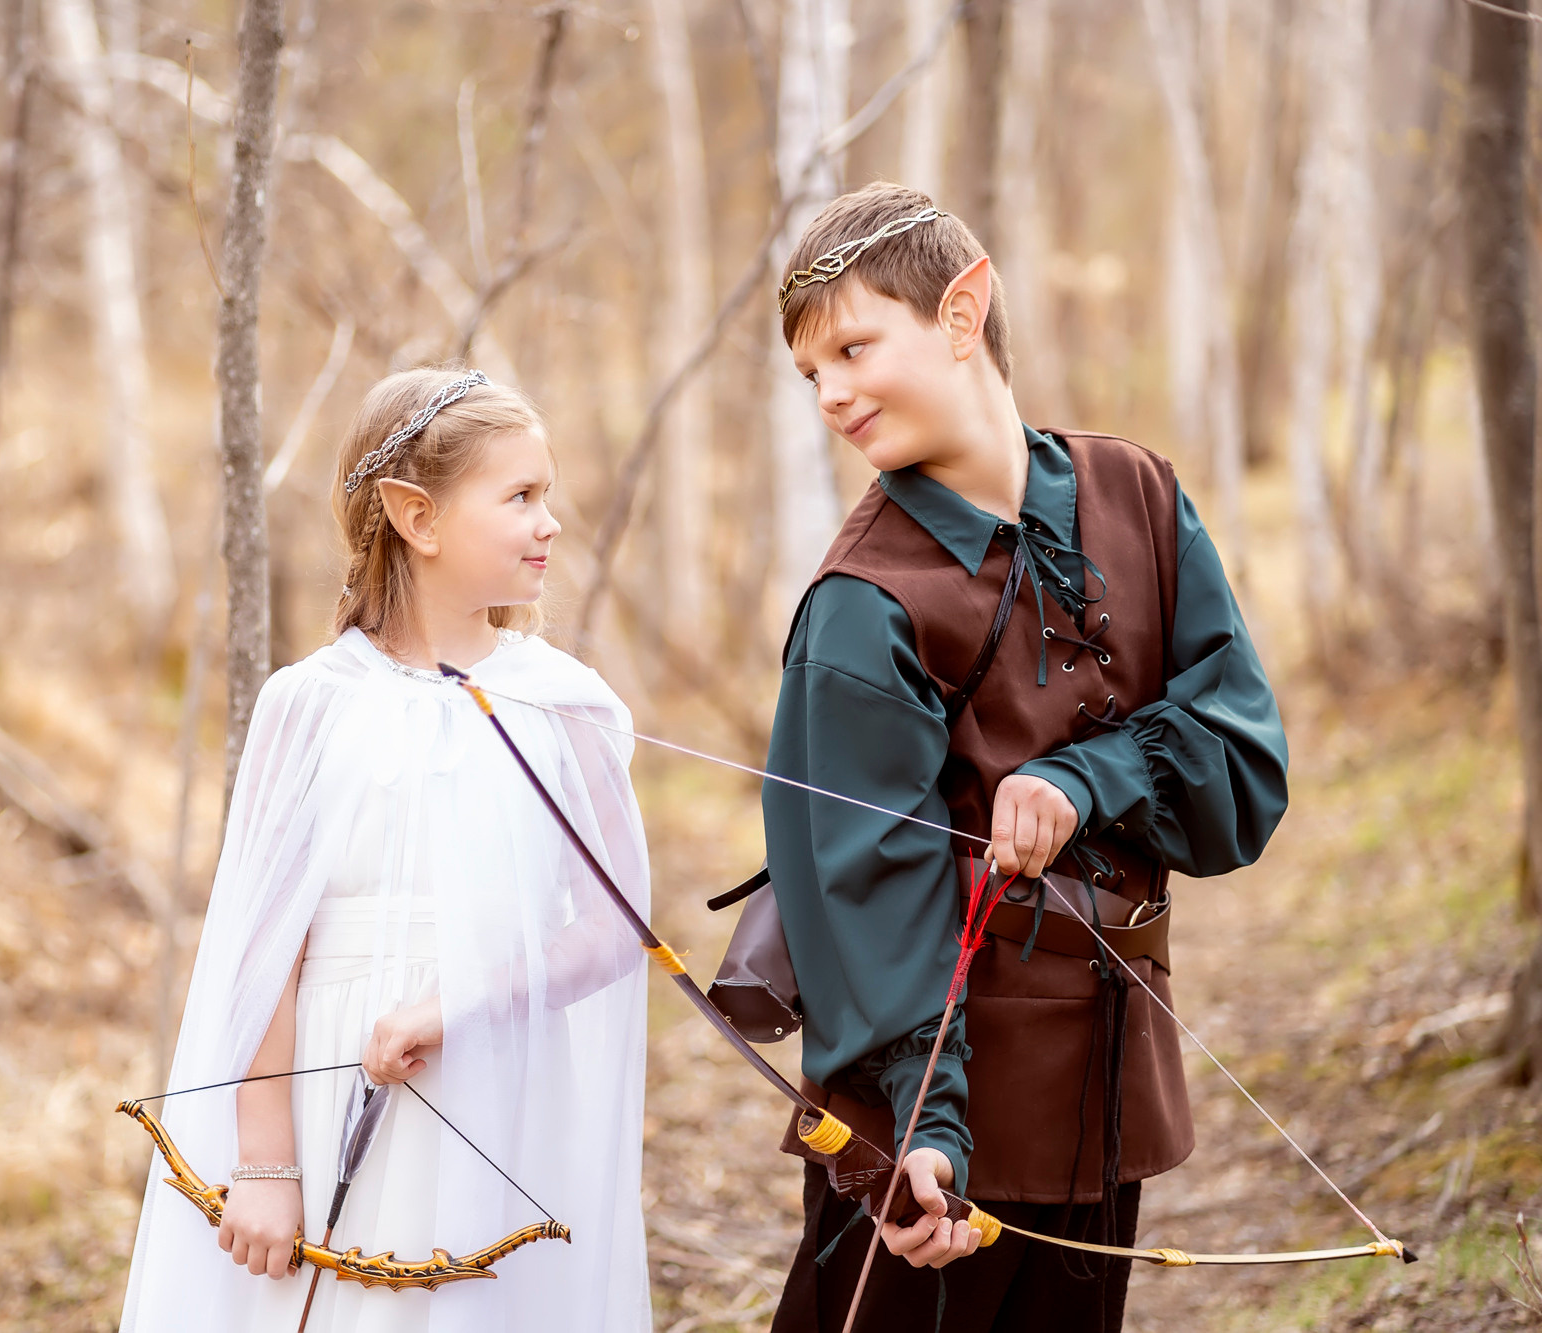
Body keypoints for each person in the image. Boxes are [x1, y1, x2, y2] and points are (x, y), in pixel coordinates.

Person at [761, 182, 1290, 1332]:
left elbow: (1240, 766)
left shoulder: (1135, 494)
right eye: (809, 373)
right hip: (933, 1139)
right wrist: (922, 1129)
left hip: (1105, 1083)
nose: (830, 393)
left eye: (851, 348)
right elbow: (862, 894)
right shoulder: (861, 603)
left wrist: (1085, 776)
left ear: (962, 312)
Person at [119, 368, 653, 1332]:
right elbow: (264, 950)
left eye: (547, 494)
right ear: (417, 516)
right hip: (324, 1081)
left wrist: (462, 1004)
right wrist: (266, 1163)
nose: (549, 522)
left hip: (497, 1086)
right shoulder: (311, 704)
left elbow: (617, 929)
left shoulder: (565, 705)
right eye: (520, 496)